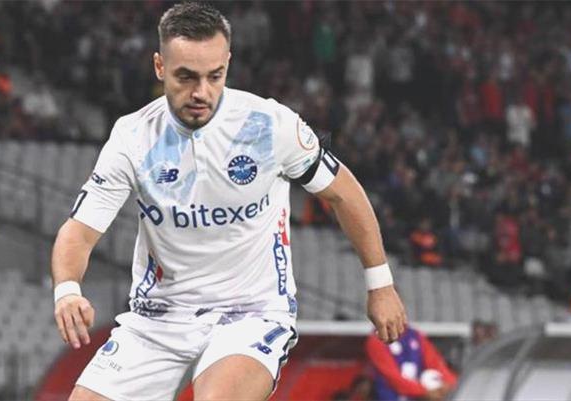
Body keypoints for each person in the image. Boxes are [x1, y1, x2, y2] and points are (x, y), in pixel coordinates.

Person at [51, 3, 406, 401]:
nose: (201, 92)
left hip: (251, 313)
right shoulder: (133, 138)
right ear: (160, 66)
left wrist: (380, 284)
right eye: (186, 76)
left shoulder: (269, 126)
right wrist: (68, 289)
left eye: (214, 76)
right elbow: (79, 230)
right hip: (158, 318)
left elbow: (343, 193)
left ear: (228, 64)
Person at [365, 325, 457, 401]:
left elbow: (435, 363)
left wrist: (449, 384)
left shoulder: (415, 335)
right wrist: (423, 391)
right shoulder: (376, 339)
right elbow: (392, 377)